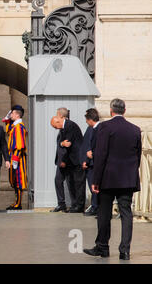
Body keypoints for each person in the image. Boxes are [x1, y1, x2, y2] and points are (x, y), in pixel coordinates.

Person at [84, 99, 142, 261]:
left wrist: (96, 179)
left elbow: (101, 154)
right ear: (124, 111)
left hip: (108, 178)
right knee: (126, 214)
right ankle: (125, 250)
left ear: (111, 111)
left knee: (104, 213)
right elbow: (137, 156)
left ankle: (102, 247)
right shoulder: (135, 130)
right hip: (127, 179)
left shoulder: (105, 127)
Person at [50, 115, 85, 213]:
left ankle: (78, 206)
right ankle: (63, 204)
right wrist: (61, 144)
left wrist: (63, 160)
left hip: (75, 160)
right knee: (62, 181)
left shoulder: (70, 126)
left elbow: (68, 144)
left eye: (54, 126)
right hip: (67, 161)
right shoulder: (63, 127)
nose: (55, 128)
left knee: (78, 183)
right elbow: (62, 144)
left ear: (58, 121)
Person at [2, 105, 28, 210]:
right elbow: (8, 131)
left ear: (17, 114)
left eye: (12, 113)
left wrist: (15, 159)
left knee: (18, 180)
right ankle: (17, 202)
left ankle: (18, 204)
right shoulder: (15, 126)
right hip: (15, 157)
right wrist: (8, 120)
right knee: (14, 180)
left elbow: (19, 145)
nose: (10, 115)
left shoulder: (19, 127)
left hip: (18, 158)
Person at [80, 108, 100, 216]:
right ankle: (95, 205)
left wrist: (86, 160)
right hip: (90, 162)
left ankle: (95, 206)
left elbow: (90, 146)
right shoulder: (91, 128)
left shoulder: (96, 129)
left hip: (93, 163)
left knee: (94, 186)